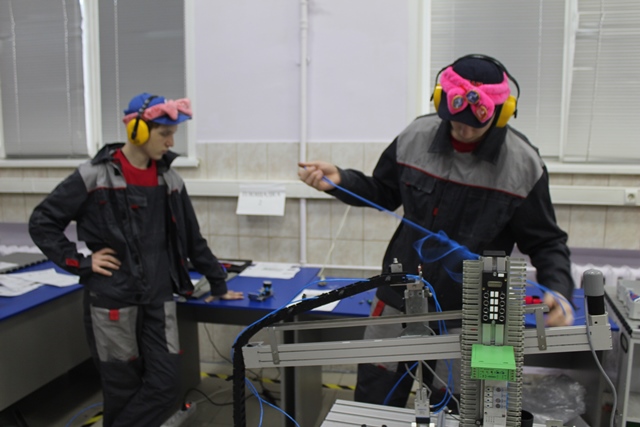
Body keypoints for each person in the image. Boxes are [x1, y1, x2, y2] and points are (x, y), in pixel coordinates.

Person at [298, 54, 574, 408]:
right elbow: (384, 191)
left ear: (503, 112)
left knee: (470, 408)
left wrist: (559, 290)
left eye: (474, 124)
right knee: (375, 399)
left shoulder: (524, 164)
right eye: (455, 120)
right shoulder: (415, 136)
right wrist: (341, 180)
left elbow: (547, 241)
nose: (463, 131)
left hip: (480, 310)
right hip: (400, 295)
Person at [29, 92, 243, 427]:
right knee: (122, 389)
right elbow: (42, 222)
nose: (171, 142)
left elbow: (192, 239)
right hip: (112, 299)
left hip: (159, 297)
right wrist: (81, 262)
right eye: (164, 133)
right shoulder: (94, 176)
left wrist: (218, 283)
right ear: (137, 131)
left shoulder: (169, 180)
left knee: (166, 384)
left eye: (173, 134)